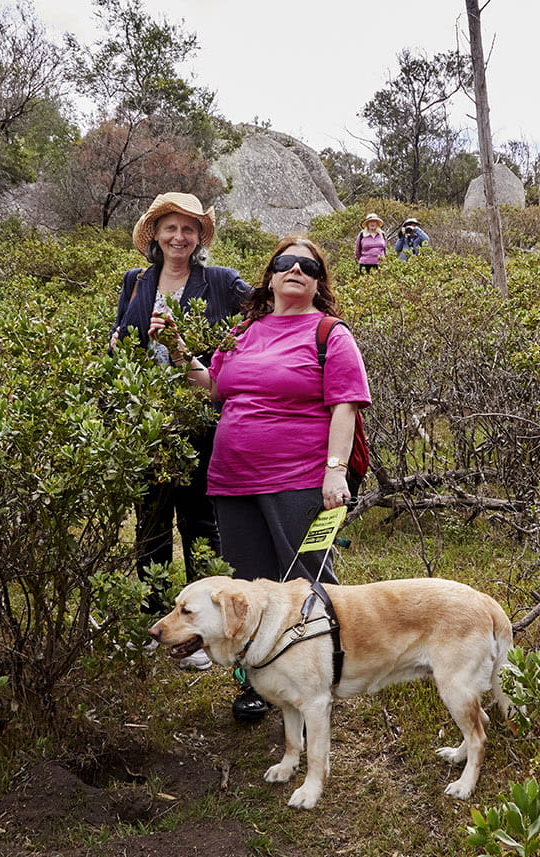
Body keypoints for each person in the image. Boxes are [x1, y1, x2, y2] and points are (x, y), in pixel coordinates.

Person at [163, 236, 370, 721]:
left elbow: (346, 405)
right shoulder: (243, 330)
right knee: (246, 590)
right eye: (285, 262)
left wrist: (334, 472)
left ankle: (321, 677)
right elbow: (215, 387)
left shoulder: (329, 333)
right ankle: (256, 681)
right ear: (270, 276)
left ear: (319, 282)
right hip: (232, 479)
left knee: (306, 583)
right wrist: (175, 346)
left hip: (298, 479)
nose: (295, 269)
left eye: (308, 265)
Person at [109, 192, 251, 670]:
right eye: (170, 228)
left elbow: (258, 321)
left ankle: (199, 633)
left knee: (199, 523)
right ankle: (154, 621)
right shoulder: (135, 282)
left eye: (188, 229)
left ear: (199, 237)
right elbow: (117, 343)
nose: (179, 237)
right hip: (147, 421)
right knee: (149, 524)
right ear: (156, 235)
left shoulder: (221, 283)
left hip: (201, 420)